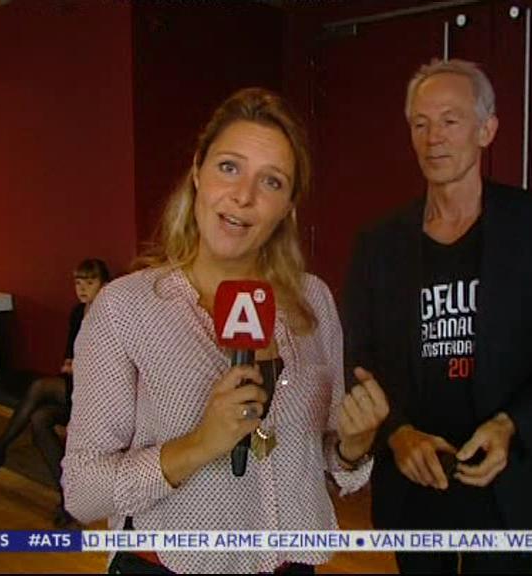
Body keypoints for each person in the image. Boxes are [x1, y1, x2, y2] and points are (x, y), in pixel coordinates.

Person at [62, 88, 389, 574]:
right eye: (229, 167)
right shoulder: (125, 308)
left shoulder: (313, 301)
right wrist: (199, 445)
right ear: (198, 171)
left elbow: (325, 459)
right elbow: (83, 492)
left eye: (271, 181)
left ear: (288, 206)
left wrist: (353, 446)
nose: (244, 196)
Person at [342, 59, 532, 574]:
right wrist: (397, 433)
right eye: (420, 123)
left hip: (508, 486)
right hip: (414, 483)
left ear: (487, 130)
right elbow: (355, 358)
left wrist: (511, 426)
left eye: (450, 120)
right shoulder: (378, 243)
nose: (433, 137)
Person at [0, 258, 111, 528]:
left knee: (39, 387)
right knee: (40, 418)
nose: (82, 289)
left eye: (90, 282)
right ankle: (68, 496)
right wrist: (71, 364)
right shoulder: (78, 313)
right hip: (76, 389)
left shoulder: (111, 316)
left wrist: (81, 366)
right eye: (78, 283)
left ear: (105, 285)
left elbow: (112, 366)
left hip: (101, 396)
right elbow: (68, 356)